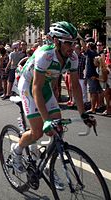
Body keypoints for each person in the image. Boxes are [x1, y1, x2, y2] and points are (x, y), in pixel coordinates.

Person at [11, 21, 96, 178]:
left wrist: (83, 113)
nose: (72, 47)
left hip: (45, 86)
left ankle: (45, 163)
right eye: (68, 43)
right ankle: (16, 150)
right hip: (29, 86)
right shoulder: (45, 55)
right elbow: (36, 87)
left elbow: (76, 86)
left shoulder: (73, 58)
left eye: (74, 43)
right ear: (56, 41)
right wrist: (46, 120)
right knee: (37, 132)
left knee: (58, 129)